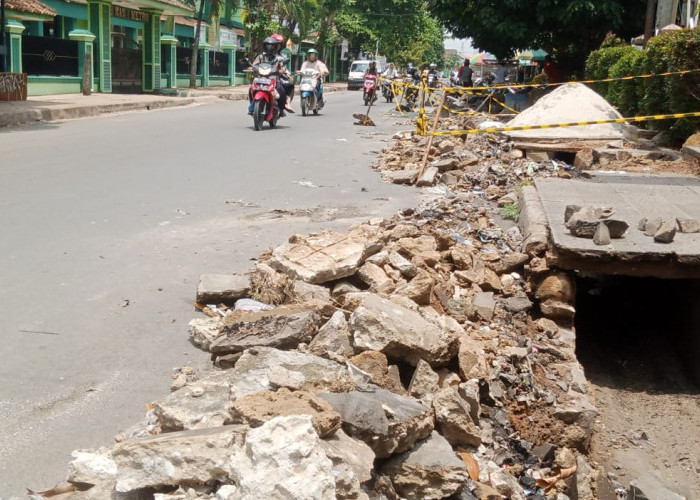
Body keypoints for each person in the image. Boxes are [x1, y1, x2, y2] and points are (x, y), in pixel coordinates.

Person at [248, 36, 294, 116]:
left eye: (272, 46)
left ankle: (281, 109)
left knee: (281, 92)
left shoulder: (278, 58)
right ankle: (253, 106)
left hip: (274, 79)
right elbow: (254, 65)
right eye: (267, 45)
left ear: (275, 47)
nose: (269, 48)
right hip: (260, 78)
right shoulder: (260, 57)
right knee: (251, 89)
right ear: (264, 46)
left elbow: (283, 67)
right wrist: (252, 68)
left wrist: (280, 71)